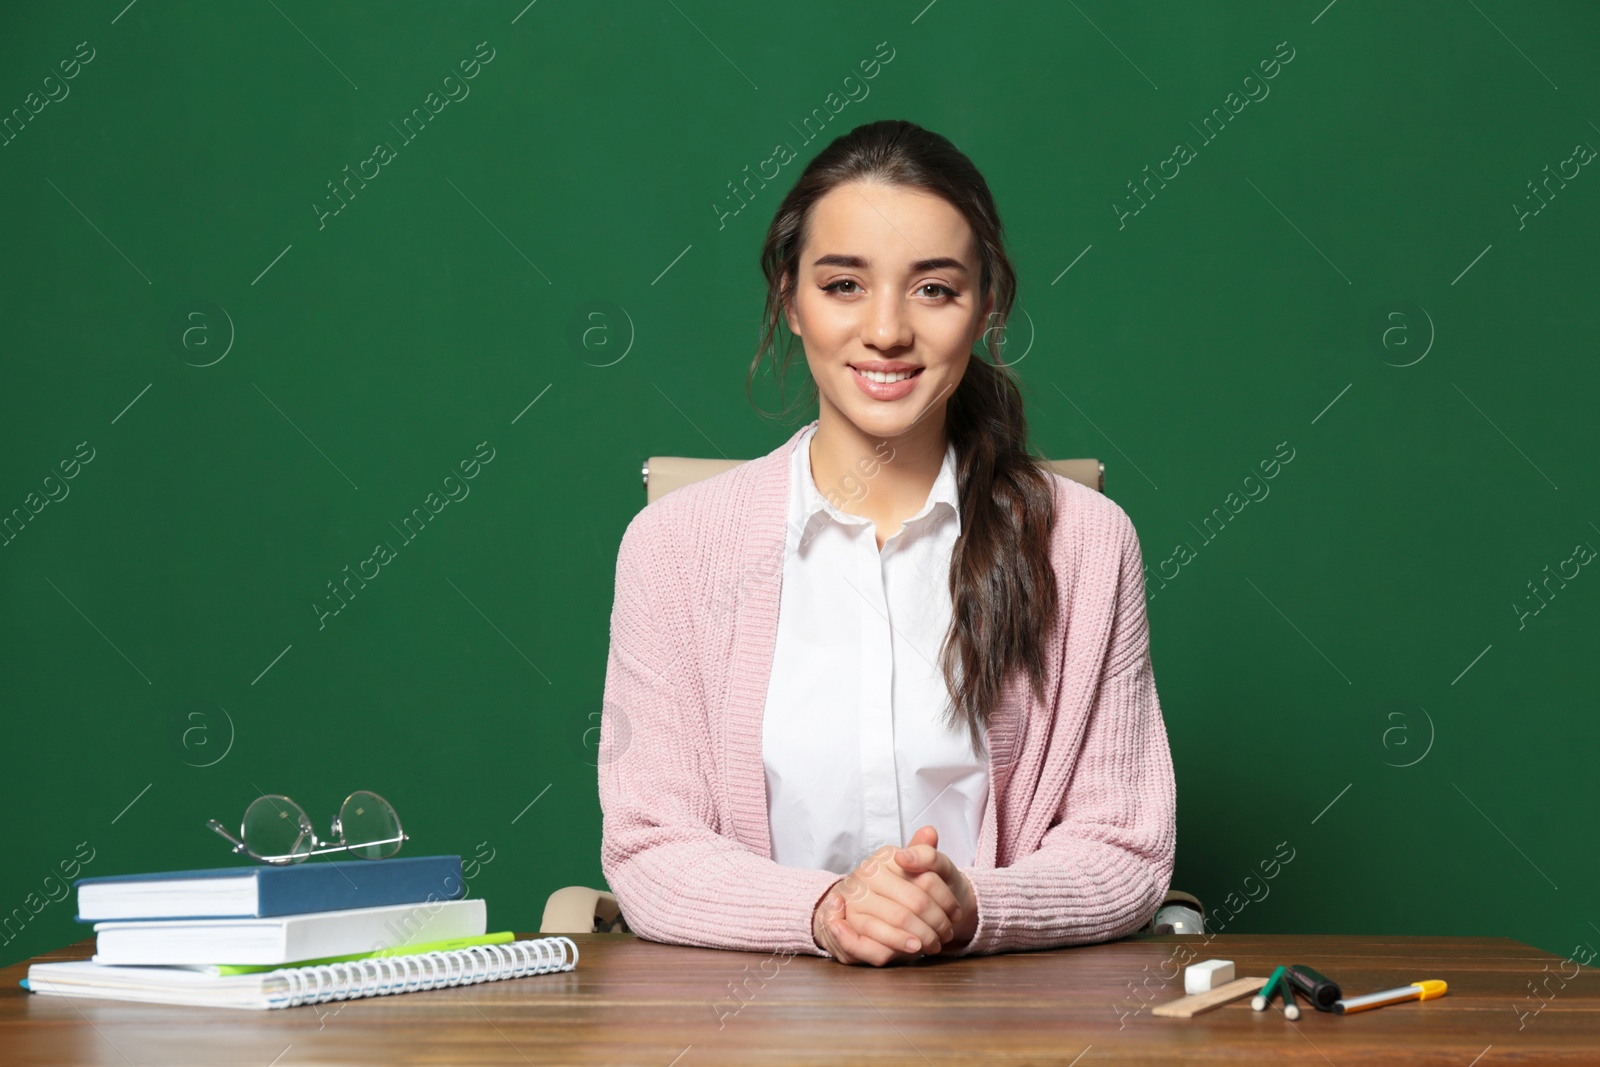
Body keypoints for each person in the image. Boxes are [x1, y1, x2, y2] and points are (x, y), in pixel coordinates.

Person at [598, 119, 1175, 966]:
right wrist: (830, 910)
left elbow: (1124, 847)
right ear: (789, 301)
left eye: (934, 289)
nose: (886, 330)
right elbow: (651, 847)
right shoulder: (673, 548)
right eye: (843, 285)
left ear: (988, 308)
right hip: (745, 1024)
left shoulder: (1086, 543)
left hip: (1007, 1027)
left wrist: (969, 903)